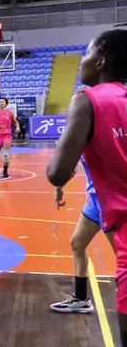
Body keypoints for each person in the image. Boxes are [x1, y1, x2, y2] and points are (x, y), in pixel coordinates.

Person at [46, 29, 127, 344]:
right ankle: (81, 297)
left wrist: (62, 164)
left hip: (114, 207)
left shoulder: (87, 100)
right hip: (99, 200)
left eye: (88, 53)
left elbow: (57, 171)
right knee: (77, 243)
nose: (82, 60)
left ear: (102, 60)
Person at [51, 156, 115, 313]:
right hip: (94, 198)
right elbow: (71, 165)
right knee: (77, 244)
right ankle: (80, 299)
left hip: (109, 199)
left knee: (122, 254)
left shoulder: (103, 134)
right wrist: (60, 186)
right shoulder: (81, 136)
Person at [0, 98, 21, 178]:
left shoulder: (10, 113)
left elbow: (15, 122)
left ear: (6, 103)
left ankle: (5, 170)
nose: (1, 103)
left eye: (3, 101)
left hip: (7, 135)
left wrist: (17, 127)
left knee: (6, 154)